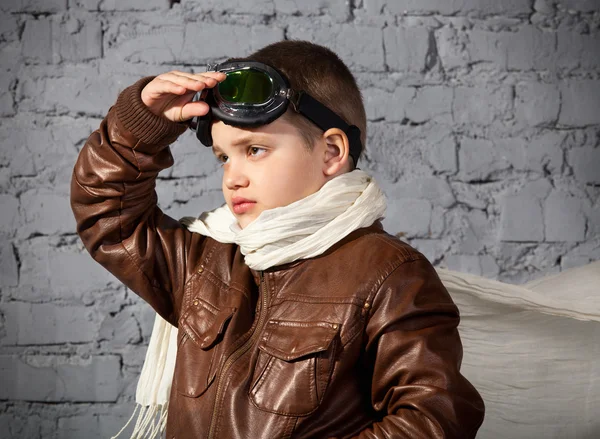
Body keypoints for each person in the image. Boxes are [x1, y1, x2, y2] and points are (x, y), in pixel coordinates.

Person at [70, 40, 485, 438]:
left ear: (331, 153)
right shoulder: (204, 263)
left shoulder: (388, 274)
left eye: (254, 149)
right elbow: (109, 217)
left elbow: (435, 418)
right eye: (223, 157)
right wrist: (139, 123)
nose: (233, 176)